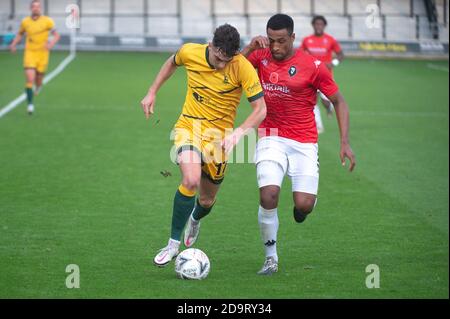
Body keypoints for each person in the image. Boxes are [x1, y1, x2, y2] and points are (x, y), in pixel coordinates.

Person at [140, 24, 267, 267]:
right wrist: (152, 91)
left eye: (227, 60)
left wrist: (239, 133)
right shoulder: (190, 52)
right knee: (190, 180)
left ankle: (196, 218)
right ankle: (172, 244)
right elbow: (171, 62)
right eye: (219, 58)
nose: (222, 65)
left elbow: (261, 109)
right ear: (211, 46)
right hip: (189, 128)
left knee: (207, 201)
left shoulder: (242, 67)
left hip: (219, 139)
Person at [241, 14, 355, 275]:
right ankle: (271, 258)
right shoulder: (260, 56)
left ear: (293, 38)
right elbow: (230, 69)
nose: (276, 47)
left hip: (304, 141)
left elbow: (339, 101)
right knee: (268, 194)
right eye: (271, 41)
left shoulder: (313, 66)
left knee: (303, 204)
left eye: (281, 41)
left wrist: (344, 142)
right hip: (270, 135)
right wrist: (249, 47)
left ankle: (303, 209)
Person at [9, 0, 60, 115]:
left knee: (39, 79)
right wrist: (13, 44)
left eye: (38, 7)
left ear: (40, 8)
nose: (36, 9)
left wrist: (50, 44)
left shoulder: (47, 21)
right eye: (34, 7)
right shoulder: (25, 22)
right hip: (30, 53)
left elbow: (56, 35)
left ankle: (38, 86)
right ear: (30, 8)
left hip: (43, 54)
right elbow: (20, 34)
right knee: (30, 79)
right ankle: (30, 105)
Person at [300, 15, 344, 133]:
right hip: (311, 76)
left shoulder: (330, 40)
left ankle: (329, 108)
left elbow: (341, 54)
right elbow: (300, 54)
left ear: (324, 26)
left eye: (321, 24)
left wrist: (333, 63)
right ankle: (318, 125)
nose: (318, 26)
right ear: (313, 25)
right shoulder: (306, 40)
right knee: (312, 100)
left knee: (326, 101)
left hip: (326, 76)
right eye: (316, 24)